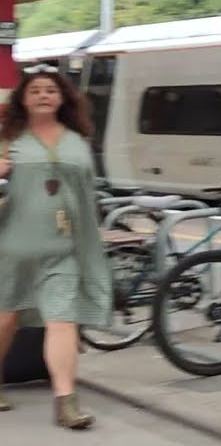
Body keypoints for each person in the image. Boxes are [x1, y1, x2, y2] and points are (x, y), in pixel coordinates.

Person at [0, 64, 113, 430]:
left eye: (50, 89)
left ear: (63, 97)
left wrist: (88, 238)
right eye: (34, 91)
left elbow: (86, 192)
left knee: (62, 321)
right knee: (6, 319)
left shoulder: (77, 140)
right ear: (23, 99)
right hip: (11, 246)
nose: (43, 95)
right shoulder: (7, 139)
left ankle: (66, 403)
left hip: (62, 248)